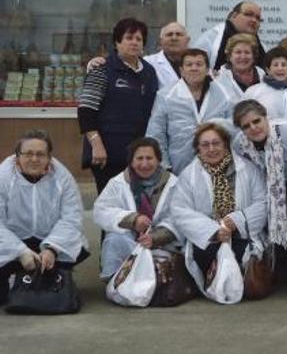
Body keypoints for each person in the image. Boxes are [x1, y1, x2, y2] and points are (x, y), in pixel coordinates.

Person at [172, 123, 267, 301]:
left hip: (242, 235)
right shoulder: (189, 175)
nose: (211, 149)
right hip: (208, 238)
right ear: (197, 148)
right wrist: (213, 230)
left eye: (216, 143)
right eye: (205, 145)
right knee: (205, 253)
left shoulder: (248, 169)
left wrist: (237, 221)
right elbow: (180, 210)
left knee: (247, 255)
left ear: (225, 144)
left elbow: (263, 202)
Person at [0, 131, 88, 305]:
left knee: (54, 294)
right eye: (28, 154)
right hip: (13, 241)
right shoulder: (3, 177)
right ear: (17, 157)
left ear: (49, 157)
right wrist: (20, 252)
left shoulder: (63, 178)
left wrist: (52, 249)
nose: (34, 159)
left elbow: (72, 218)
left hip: (48, 241)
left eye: (40, 154)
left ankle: (54, 274)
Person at [79, 17, 159, 192]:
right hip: (107, 154)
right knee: (112, 205)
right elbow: (86, 111)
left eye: (139, 39)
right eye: (129, 38)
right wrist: (96, 145)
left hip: (139, 155)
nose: (134, 43)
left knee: (139, 206)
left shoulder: (149, 71)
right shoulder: (102, 69)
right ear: (117, 42)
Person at [232, 100, 287, 281]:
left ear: (266, 117)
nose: (254, 128)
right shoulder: (240, 145)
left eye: (257, 121)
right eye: (246, 126)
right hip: (268, 191)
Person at [93, 137, 180, 282]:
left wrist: (155, 238)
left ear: (158, 160)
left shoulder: (174, 184)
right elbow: (101, 211)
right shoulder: (117, 183)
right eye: (139, 158)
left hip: (163, 244)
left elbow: (179, 218)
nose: (144, 164)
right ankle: (116, 281)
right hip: (130, 242)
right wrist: (132, 220)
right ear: (131, 161)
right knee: (114, 240)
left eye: (149, 158)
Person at [146, 49, 233, 175]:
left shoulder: (224, 94)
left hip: (218, 165)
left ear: (207, 68)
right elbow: (156, 133)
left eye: (199, 64)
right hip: (178, 167)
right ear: (181, 70)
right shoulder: (166, 95)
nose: (194, 68)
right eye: (189, 65)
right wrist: (164, 166)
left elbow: (233, 129)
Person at [192, 1, 266, 71]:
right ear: (234, 15)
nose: (254, 20)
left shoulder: (262, 46)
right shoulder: (211, 38)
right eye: (248, 14)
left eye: (258, 18)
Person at [242, 47, 287, 121]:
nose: (280, 68)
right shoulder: (254, 92)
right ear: (268, 70)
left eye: (284, 65)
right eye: (275, 65)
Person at [214, 33, 265, 101]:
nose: (243, 57)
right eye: (238, 52)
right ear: (229, 56)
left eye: (247, 52)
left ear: (253, 56)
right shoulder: (219, 78)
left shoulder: (263, 76)